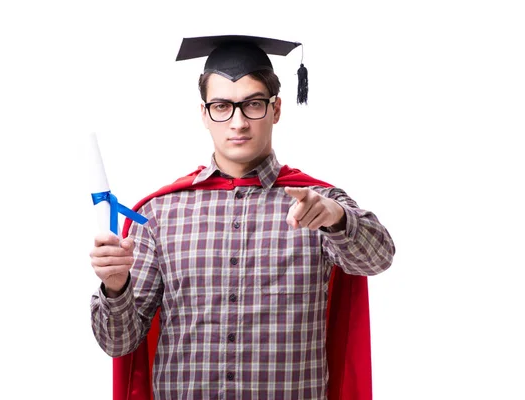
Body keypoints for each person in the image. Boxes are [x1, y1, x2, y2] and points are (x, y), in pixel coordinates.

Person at [89, 35, 395, 400]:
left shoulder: (318, 203)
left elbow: (379, 258)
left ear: (276, 109)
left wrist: (339, 219)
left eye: (252, 104)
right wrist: (115, 287)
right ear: (204, 114)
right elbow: (118, 343)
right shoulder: (158, 214)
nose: (237, 122)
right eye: (221, 106)